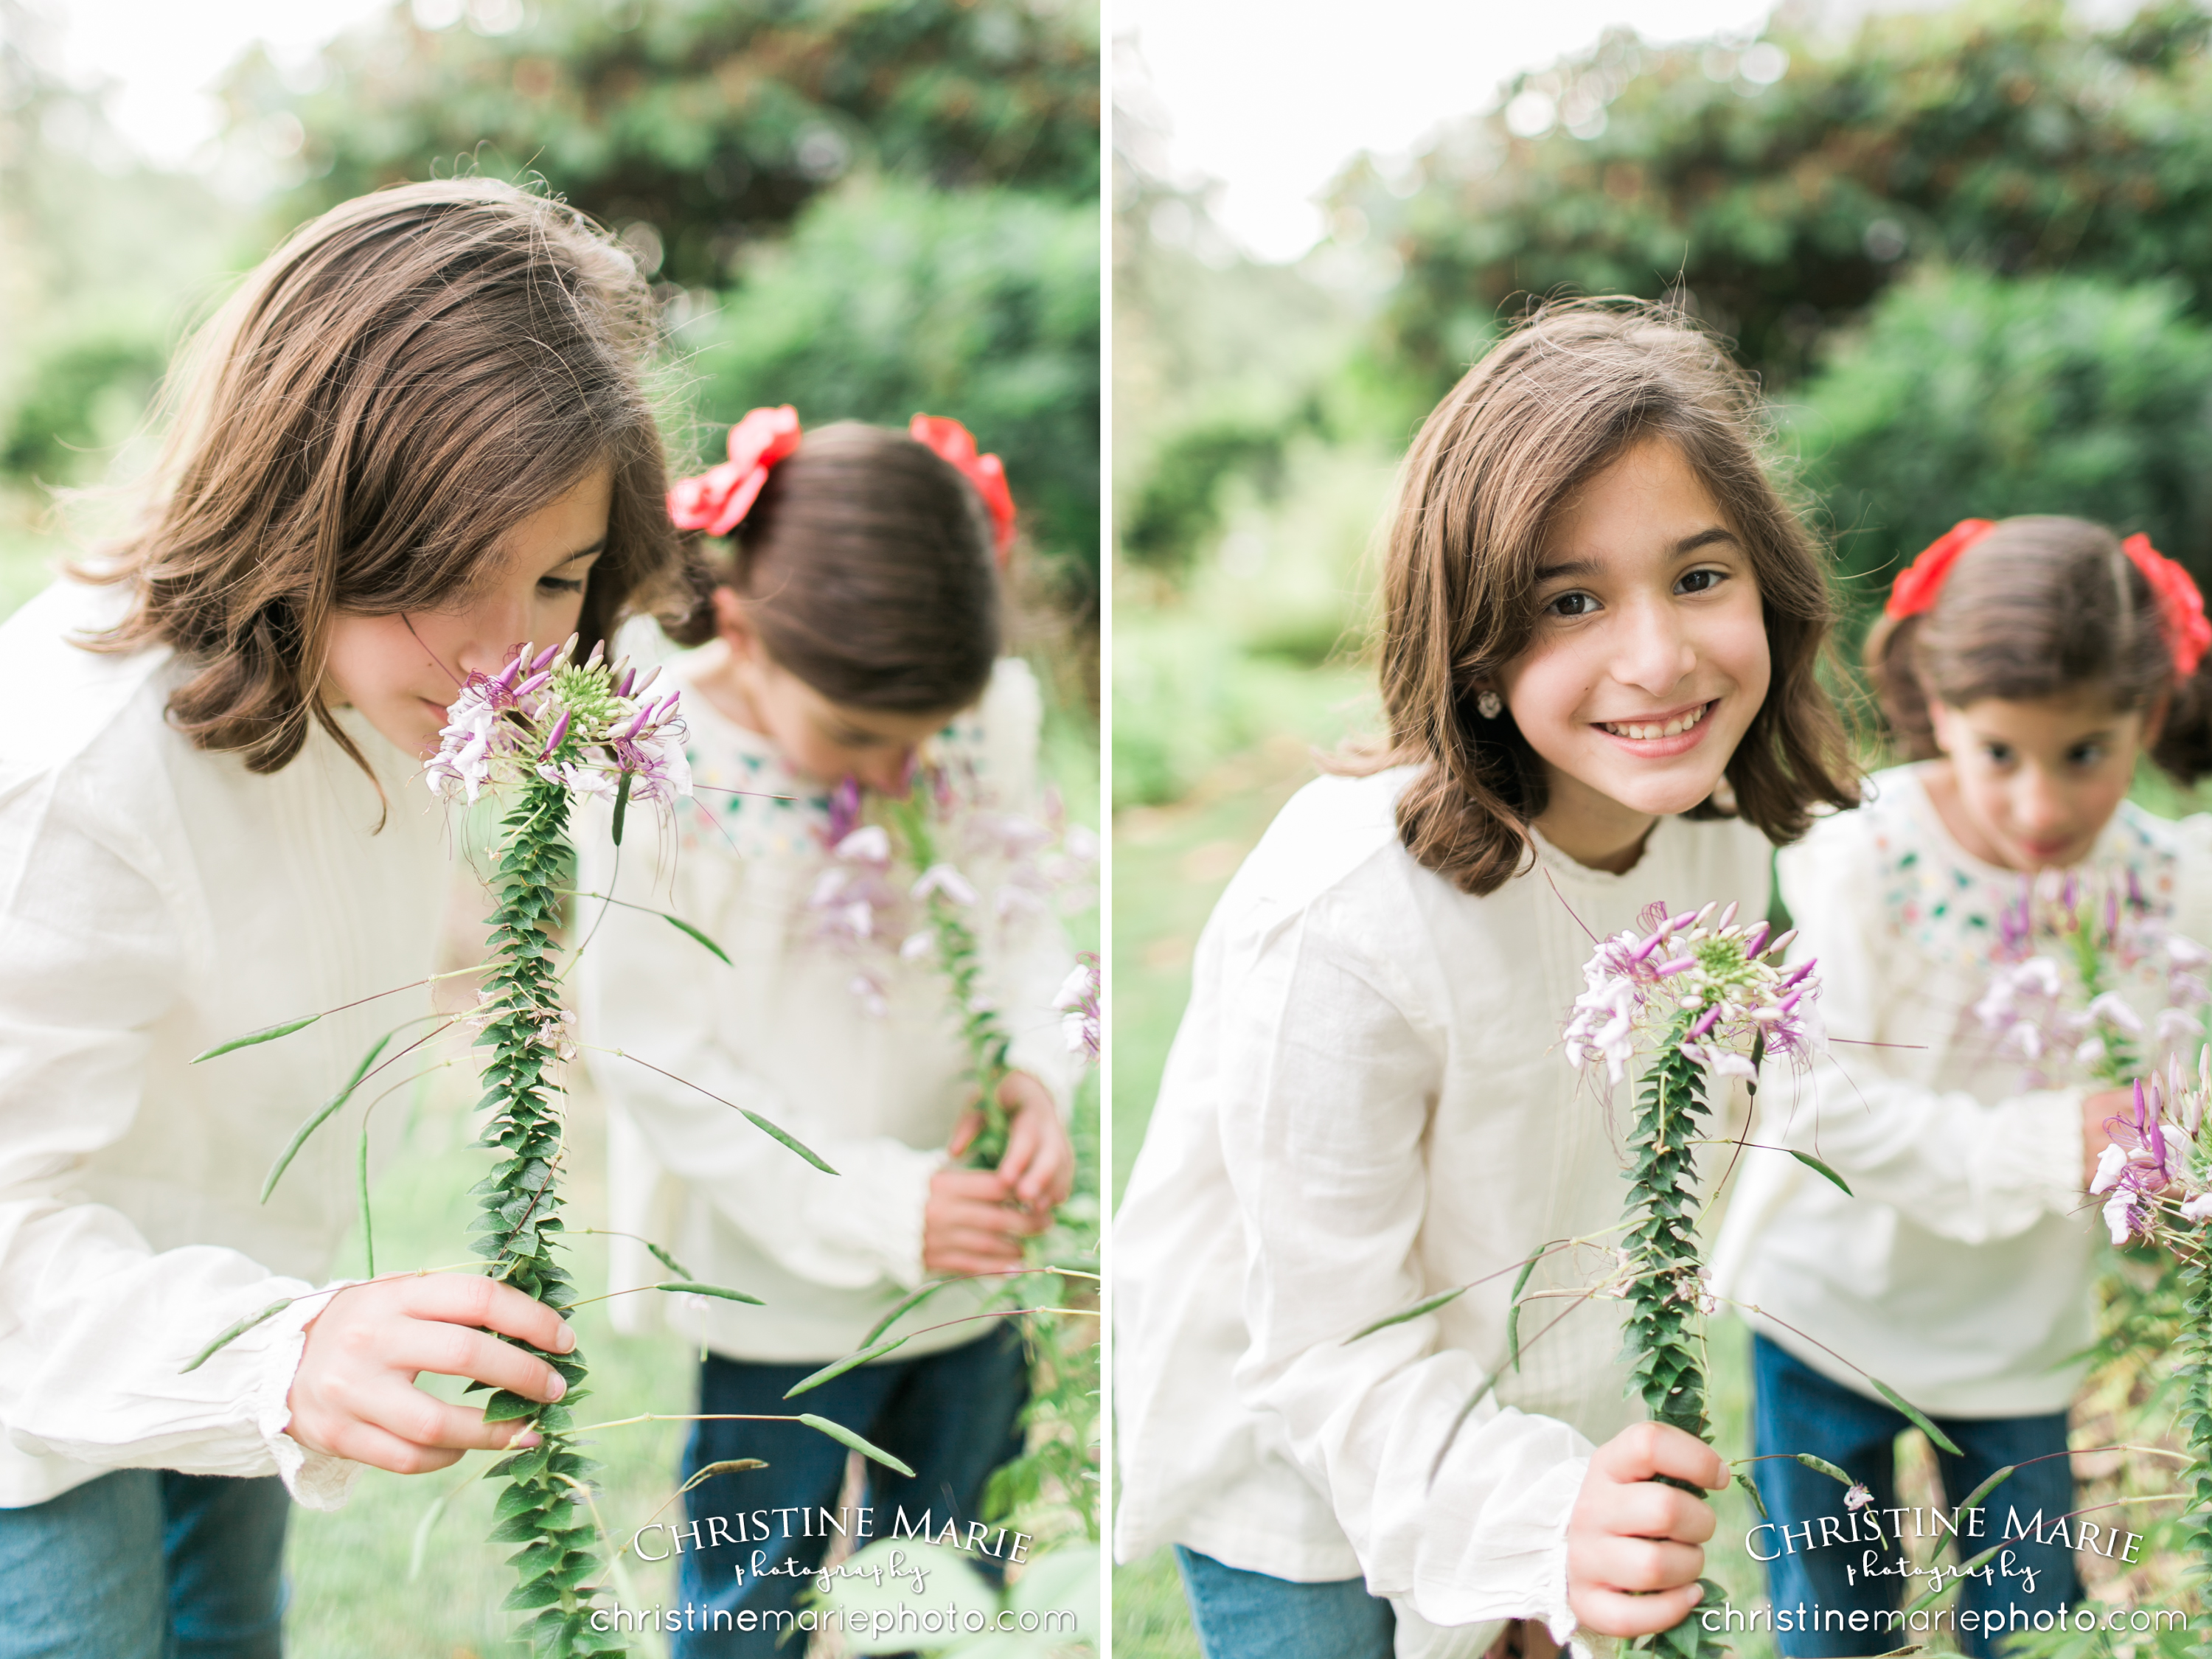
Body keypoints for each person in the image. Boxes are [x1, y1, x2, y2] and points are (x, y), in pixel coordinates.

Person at [1112, 299, 1860, 1659]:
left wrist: (1547, 1523)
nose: (1659, 657)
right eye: (1569, 602)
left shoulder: (1719, 850)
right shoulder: (1344, 913)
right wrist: (1530, 1517)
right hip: (1297, 1454)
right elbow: (1325, 1346)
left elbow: (1628, 1214)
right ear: (1474, 653)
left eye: (1701, 576)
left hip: (1526, 1422)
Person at [0, 179, 685, 1656]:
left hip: (232, 1282)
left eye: (559, 578)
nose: (513, 658)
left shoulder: (401, 671)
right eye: (445, 578)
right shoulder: (73, 780)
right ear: (299, 503)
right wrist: (285, 1353)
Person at [575, 408, 1081, 1655]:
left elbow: (1023, 926)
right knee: (752, 1597)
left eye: (926, 733)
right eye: (860, 739)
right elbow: (657, 1052)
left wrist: (1036, 1069)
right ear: (740, 624)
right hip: (780, 1274)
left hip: (970, 1264)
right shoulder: (654, 759)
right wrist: (880, 1203)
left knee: (944, 1580)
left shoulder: (975, 717)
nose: (903, 770)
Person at [1710, 515, 2212, 1656]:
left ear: (2151, 713)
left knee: (2031, 1619)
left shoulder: (2173, 890)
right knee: (1834, 1619)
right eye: (2000, 753)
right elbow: (1818, 1102)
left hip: (2017, 1337)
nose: (2041, 806)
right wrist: (2057, 1142)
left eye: (2087, 751)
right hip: (1828, 1315)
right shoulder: (1869, 856)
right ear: (1938, 712)